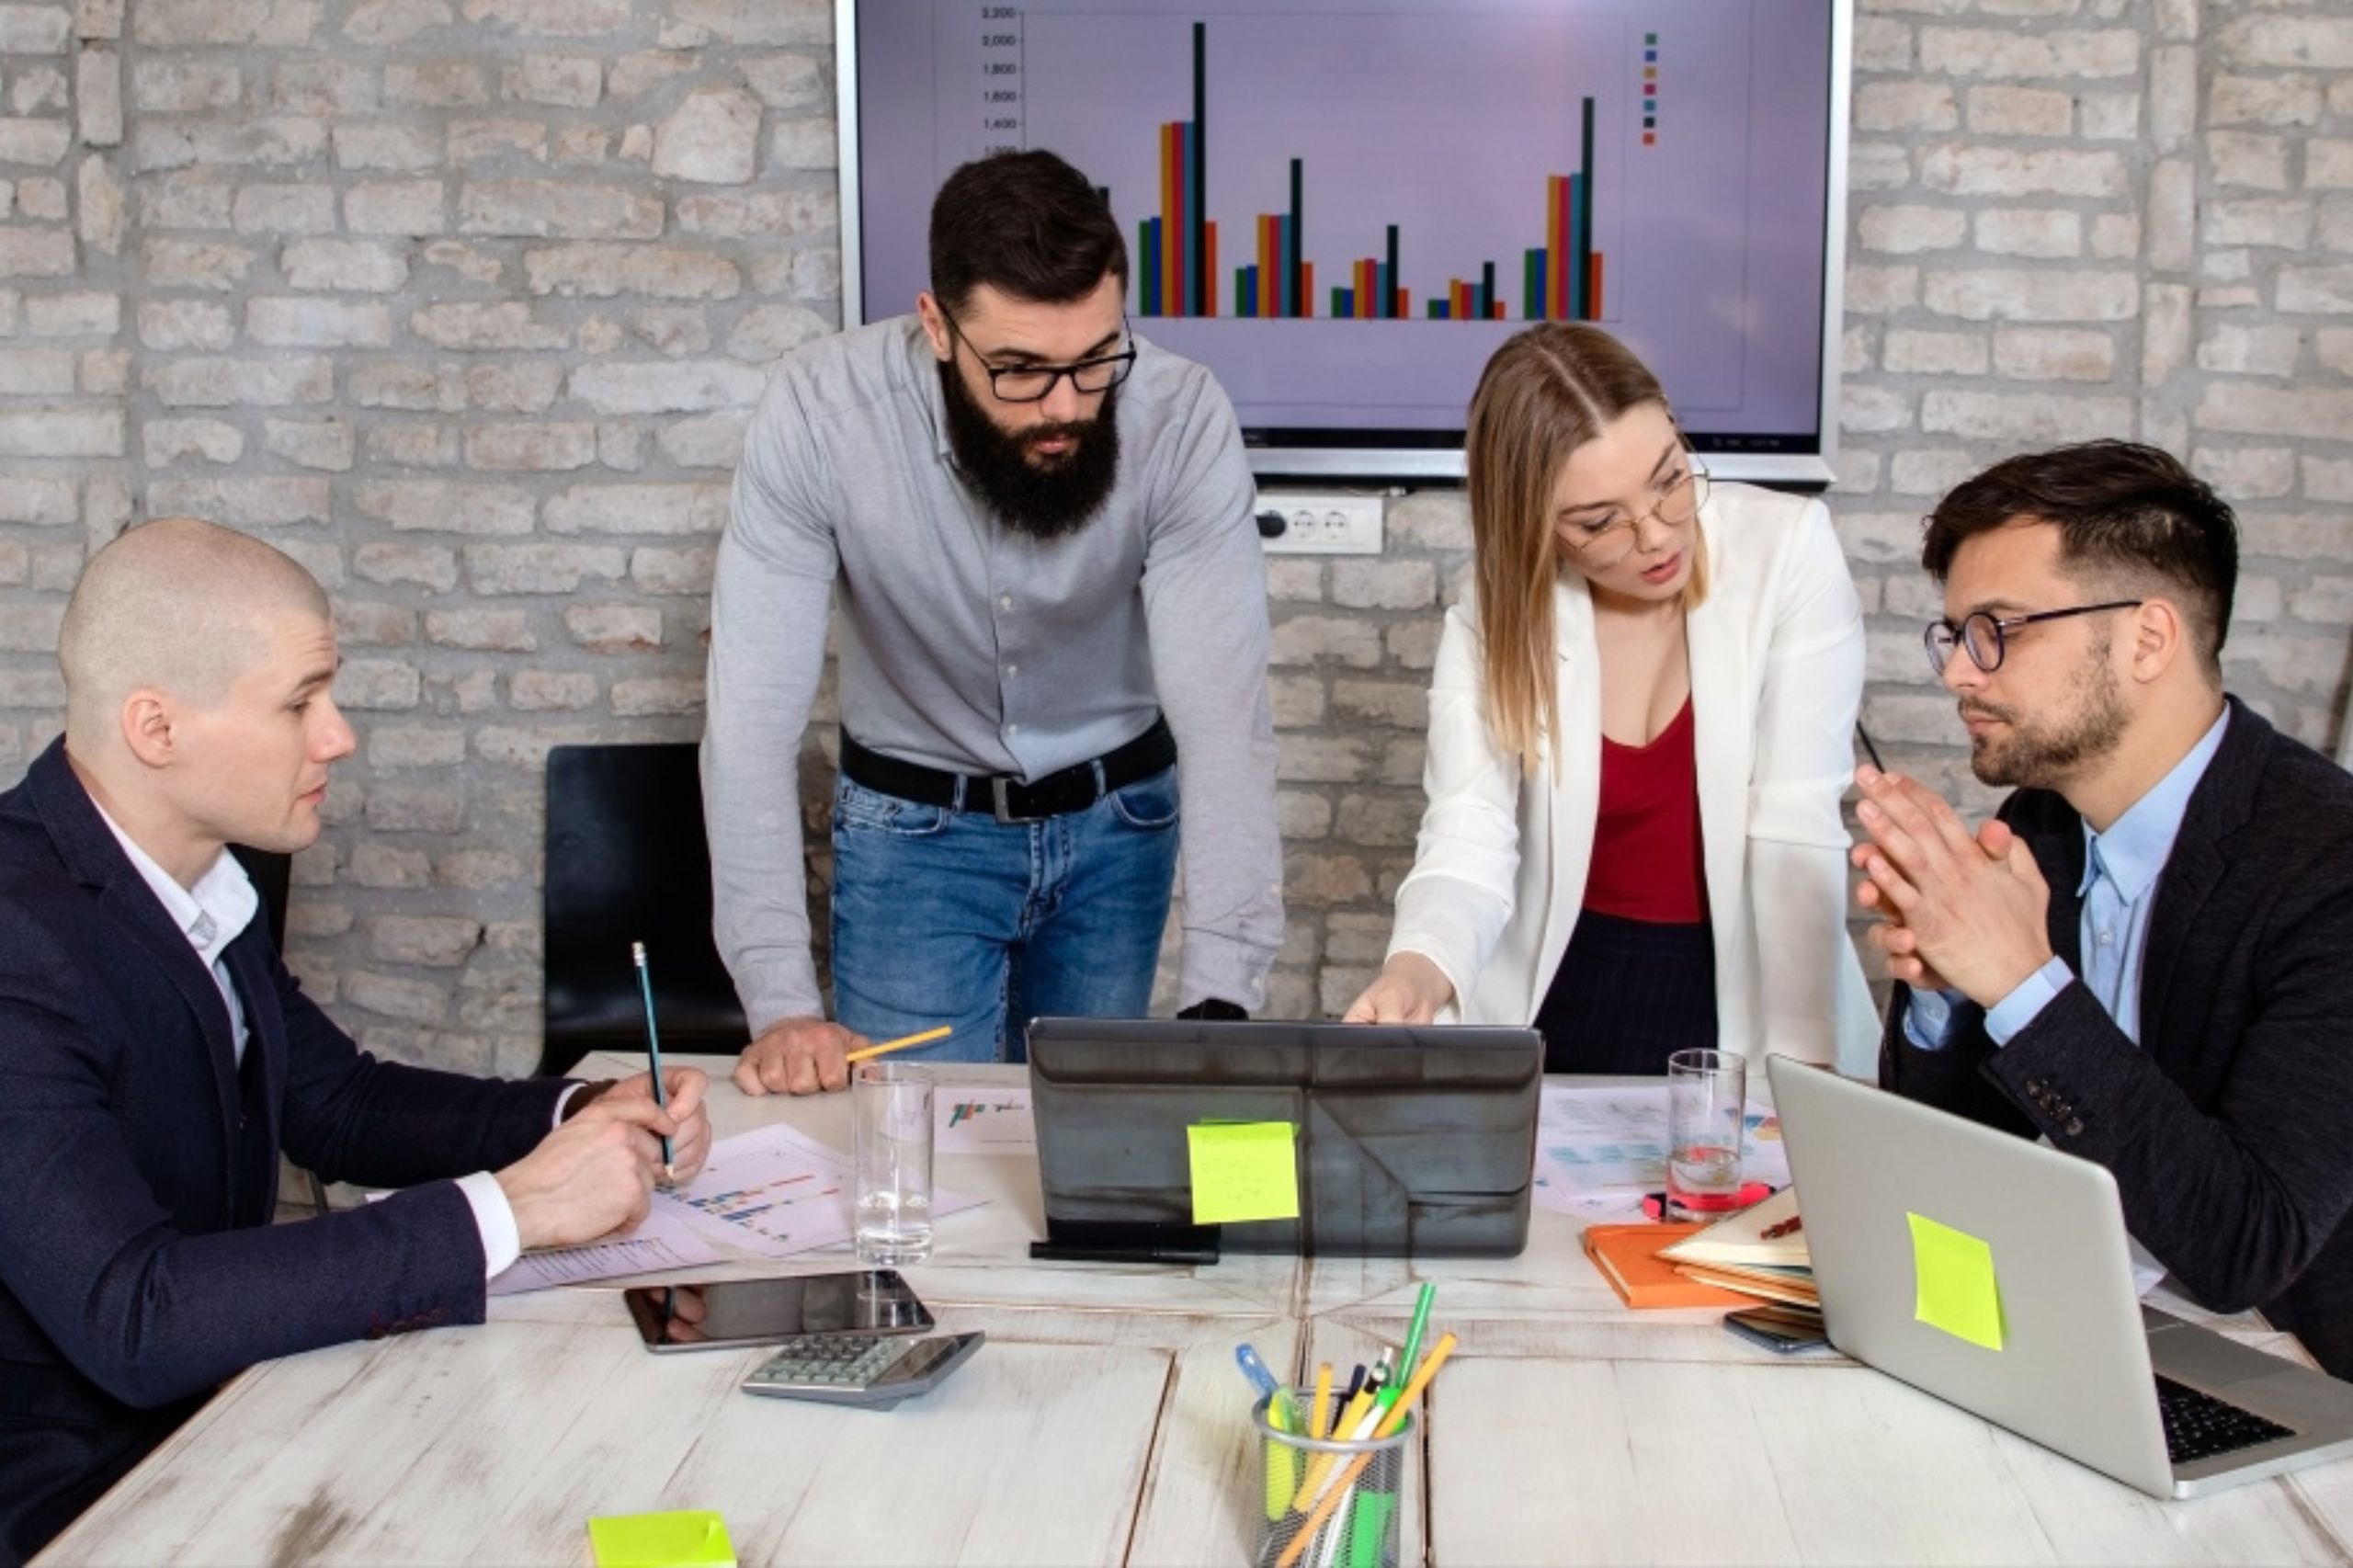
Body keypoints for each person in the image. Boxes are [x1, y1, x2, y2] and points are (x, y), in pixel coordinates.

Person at [0, 519, 712, 1566]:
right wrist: (513, 1208)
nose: (336, 736)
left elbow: (338, 1101)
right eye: (299, 703)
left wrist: (573, 1113)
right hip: (74, 1498)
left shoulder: (191, 878)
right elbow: (136, 1313)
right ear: (156, 727)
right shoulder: (19, 944)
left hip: (222, 1410)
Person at [704, 148, 1283, 1096]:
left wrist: (1221, 998)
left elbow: (1224, 719)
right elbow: (749, 724)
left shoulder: (1181, 417)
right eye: (1018, 369)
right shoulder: (818, 411)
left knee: (1085, 1148)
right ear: (936, 325)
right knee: (914, 1156)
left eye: (1095, 361)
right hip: (911, 838)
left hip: (1120, 824)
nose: (1065, 406)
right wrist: (781, 1003)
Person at [1856, 440, 2353, 1379]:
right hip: (2079, 1318)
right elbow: (1975, 1157)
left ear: (2147, 638)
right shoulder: (2038, 822)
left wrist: (2017, 976)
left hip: (2288, 1371)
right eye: (1955, 634)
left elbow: (2242, 1246)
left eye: (1997, 628)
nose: (1960, 672)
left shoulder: (2330, 868)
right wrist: (1946, 987)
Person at [1344, 324, 1879, 1073]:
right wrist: (1416, 968)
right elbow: (1469, 829)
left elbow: (1797, 823)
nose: (1657, 537)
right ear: (1536, 527)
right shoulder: (1495, 607)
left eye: (1670, 479)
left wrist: (1803, 1067)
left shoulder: (1788, 548)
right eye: (1601, 523)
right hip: (1559, 985)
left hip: (1745, 993)